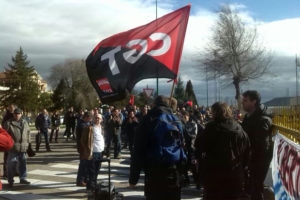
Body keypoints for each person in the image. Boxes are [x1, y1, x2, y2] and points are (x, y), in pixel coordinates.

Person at [129, 95, 186, 200]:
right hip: (174, 171)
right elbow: (183, 145)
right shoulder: (177, 120)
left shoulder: (148, 120)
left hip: (154, 171)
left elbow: (138, 150)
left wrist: (133, 178)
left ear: (154, 105)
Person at [195, 102, 250, 200]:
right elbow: (247, 150)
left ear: (214, 113)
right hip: (235, 173)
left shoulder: (211, 128)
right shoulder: (239, 128)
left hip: (214, 174)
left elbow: (198, 146)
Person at [241, 90, 273, 200]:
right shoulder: (248, 116)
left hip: (258, 161)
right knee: (251, 188)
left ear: (254, 102)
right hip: (250, 160)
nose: (242, 103)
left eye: (245, 100)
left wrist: (249, 157)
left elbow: (262, 146)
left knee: (256, 189)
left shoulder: (263, 119)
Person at [4, 108, 32, 187]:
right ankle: (10, 180)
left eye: (18, 114)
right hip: (13, 147)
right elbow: (5, 134)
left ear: (21, 114)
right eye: (15, 114)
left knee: (23, 164)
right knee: (11, 164)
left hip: (23, 146)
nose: (17, 115)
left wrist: (28, 142)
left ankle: (23, 178)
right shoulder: (9, 123)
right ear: (13, 114)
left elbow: (28, 133)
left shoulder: (25, 122)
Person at [86, 114, 105, 192]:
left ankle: (93, 184)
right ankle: (91, 186)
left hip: (100, 152)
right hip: (93, 152)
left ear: (101, 120)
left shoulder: (101, 127)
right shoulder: (90, 128)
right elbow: (85, 140)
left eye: (99, 118)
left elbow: (102, 138)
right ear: (93, 119)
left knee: (97, 170)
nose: (97, 119)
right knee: (92, 170)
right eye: (96, 118)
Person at [76, 111, 92, 186]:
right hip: (82, 147)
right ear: (85, 118)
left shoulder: (87, 124)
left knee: (86, 164)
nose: (90, 120)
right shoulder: (81, 124)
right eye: (89, 118)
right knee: (83, 164)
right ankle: (80, 180)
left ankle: (85, 178)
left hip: (86, 146)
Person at [1, 104, 15, 179]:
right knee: (7, 157)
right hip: (8, 138)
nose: (12, 109)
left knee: (14, 157)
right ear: (9, 108)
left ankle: (14, 171)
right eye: (11, 108)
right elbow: (3, 127)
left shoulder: (15, 115)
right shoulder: (7, 116)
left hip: (14, 138)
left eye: (13, 107)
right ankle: (6, 173)